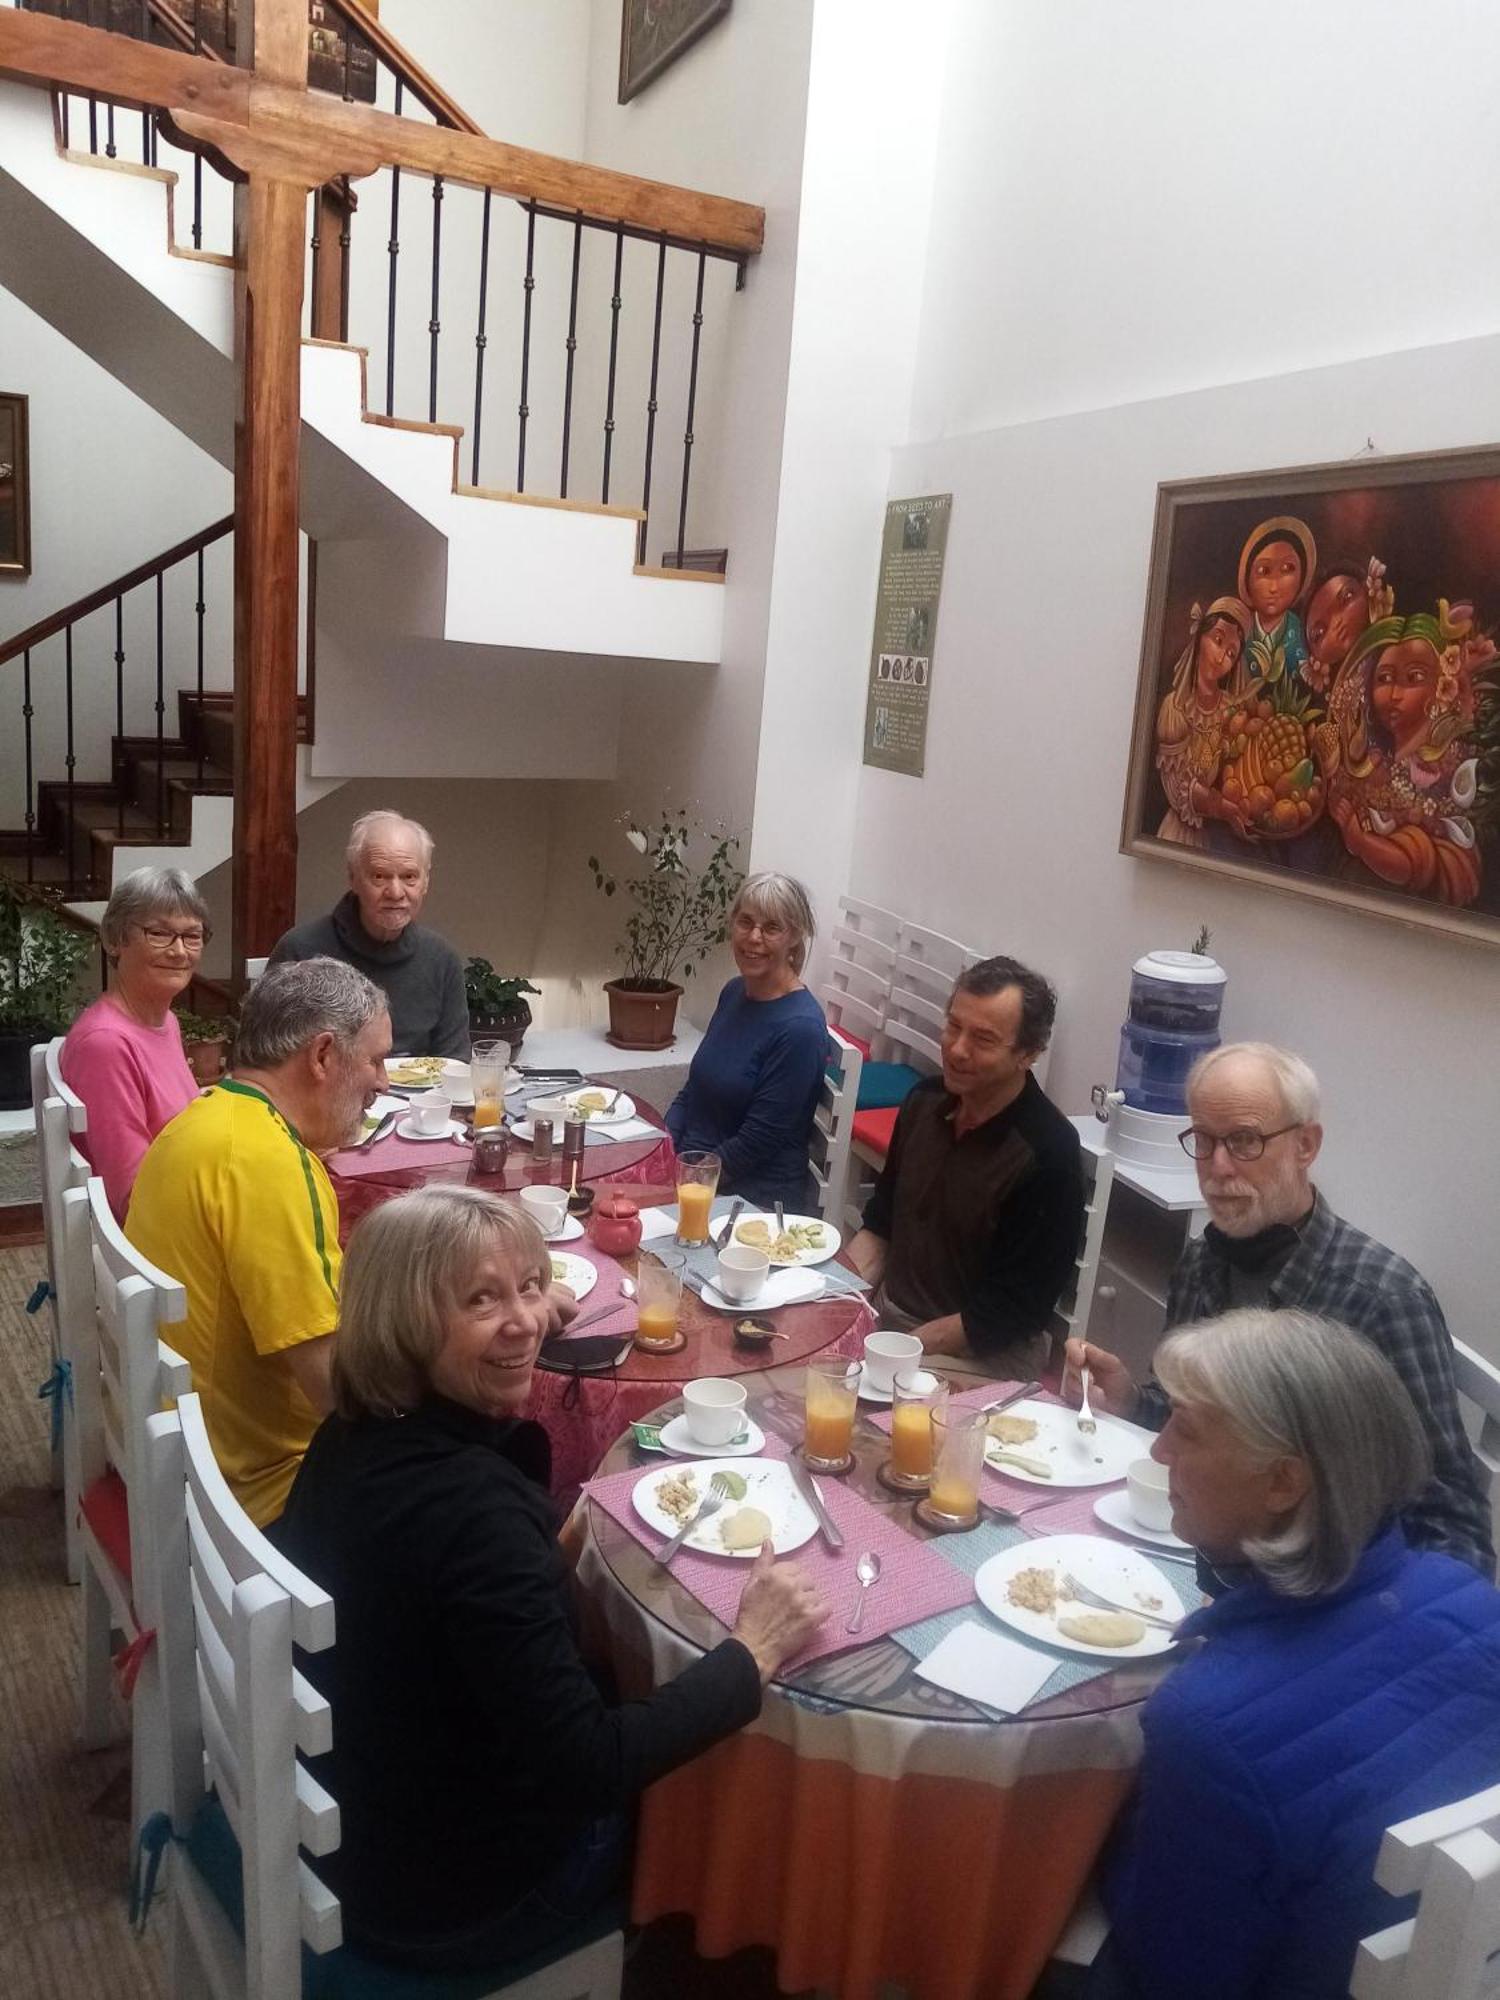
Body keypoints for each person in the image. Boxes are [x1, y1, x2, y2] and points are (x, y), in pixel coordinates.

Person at [273, 1186, 827, 1975]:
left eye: (531, 1287)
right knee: (728, 1788)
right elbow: (590, 1766)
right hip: (453, 1899)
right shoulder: (474, 1517)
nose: (527, 1321)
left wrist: (549, 1551)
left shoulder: (352, 1434)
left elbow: (432, 1604)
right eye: (480, 1300)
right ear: (404, 1323)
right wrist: (752, 1651)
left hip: (356, 1819)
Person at [1085, 1308, 1500, 2000]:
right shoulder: (1475, 1600)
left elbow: (1172, 1972)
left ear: (1283, 1484)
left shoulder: (1206, 1725)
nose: (1159, 1452)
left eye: (1185, 1428)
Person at [1064, 1042, 1493, 1575]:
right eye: (1203, 1139)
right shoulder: (1203, 1260)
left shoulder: (1383, 1300)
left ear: (1306, 1145)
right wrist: (1132, 1401)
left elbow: (1453, 1533)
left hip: (1315, 1596)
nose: (1217, 1168)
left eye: (1245, 1141)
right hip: (1200, 1554)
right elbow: (1208, 1436)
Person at [127, 960, 393, 1528]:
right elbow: (336, 1393)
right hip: (252, 1499)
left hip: (176, 1449)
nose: (383, 1081)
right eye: (375, 1059)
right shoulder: (272, 1163)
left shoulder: (202, 1119)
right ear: (323, 1056)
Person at [846, 955, 1083, 1370]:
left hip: (983, 1355)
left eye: (983, 1039)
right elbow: (880, 1228)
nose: (957, 1050)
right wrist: (835, 1300)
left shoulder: (1048, 1154)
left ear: (1028, 1053)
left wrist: (899, 1351)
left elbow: (1009, 1312)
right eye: (954, 1026)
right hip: (895, 1326)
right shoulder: (924, 1103)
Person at [664, 873, 828, 1210]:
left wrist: (685, 1183)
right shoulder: (734, 991)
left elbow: (758, 1141)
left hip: (749, 1200)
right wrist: (662, 1147)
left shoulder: (801, 1029)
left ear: (794, 936)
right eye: (745, 922)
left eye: (771, 928)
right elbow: (693, 1090)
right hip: (696, 1176)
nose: (754, 937)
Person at [59, 867, 208, 1220]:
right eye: (159, 933)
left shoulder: (165, 1021)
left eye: (192, 936)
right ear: (114, 940)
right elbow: (132, 1193)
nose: (179, 952)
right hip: (153, 1238)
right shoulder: (105, 1045)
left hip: (185, 1194)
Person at [267, 809, 469, 1058]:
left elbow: (454, 1063)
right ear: (353, 878)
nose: (395, 892)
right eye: (379, 876)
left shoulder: (441, 960)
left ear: (426, 882)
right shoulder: (300, 951)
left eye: (409, 877)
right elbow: (267, 1059)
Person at [1153, 596, 1254, 848]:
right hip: (1175, 835)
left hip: (1210, 838)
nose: (1221, 658)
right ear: (1200, 638)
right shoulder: (1175, 708)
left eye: (1231, 653)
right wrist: (1222, 807)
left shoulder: (1232, 709)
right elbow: (1177, 791)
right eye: (1218, 641)